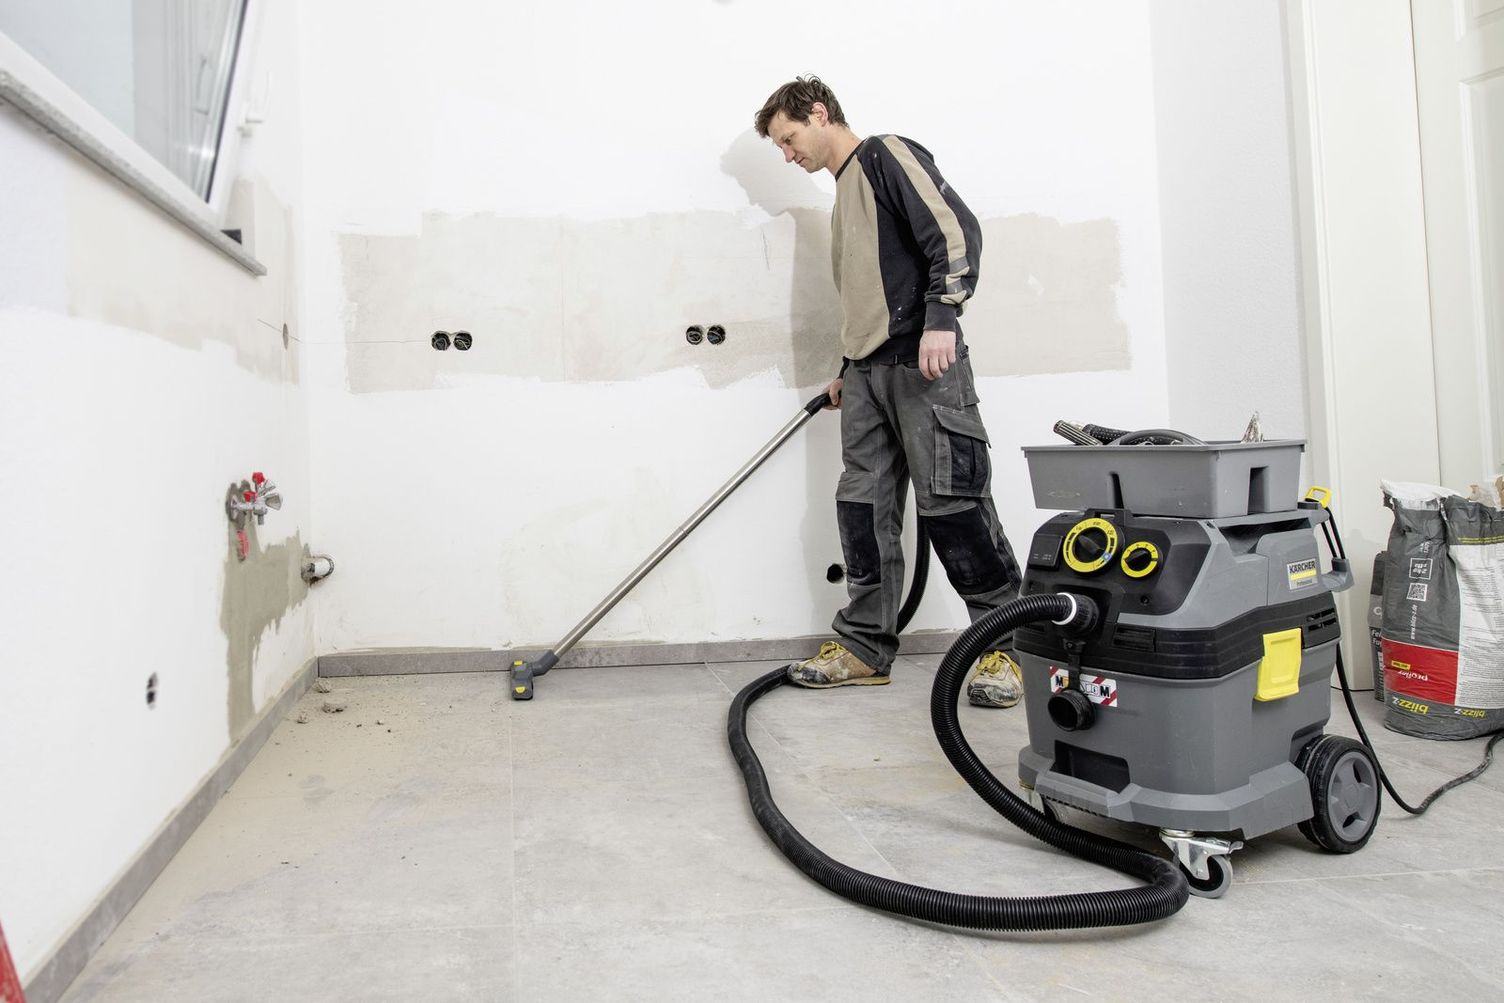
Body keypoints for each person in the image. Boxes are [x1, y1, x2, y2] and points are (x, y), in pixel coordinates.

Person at [754, 75, 1025, 708]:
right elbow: (869, 290)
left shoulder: (884, 154)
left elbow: (954, 233)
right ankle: (864, 646)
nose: (788, 156)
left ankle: (1006, 650)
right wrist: (849, 365)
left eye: (789, 139)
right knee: (862, 507)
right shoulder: (845, 194)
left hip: (924, 365)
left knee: (954, 504)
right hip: (870, 373)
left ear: (819, 114)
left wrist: (942, 318)